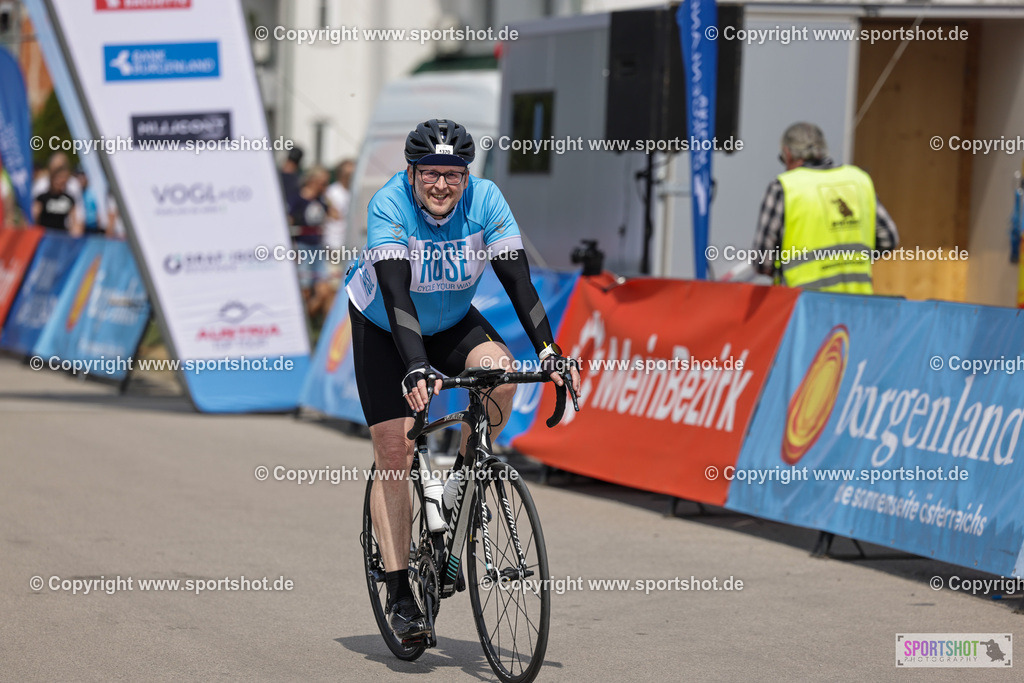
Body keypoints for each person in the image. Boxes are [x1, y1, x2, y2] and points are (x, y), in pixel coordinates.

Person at [344, 119, 579, 640]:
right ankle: (401, 588)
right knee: (394, 449)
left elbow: (518, 280)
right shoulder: (388, 207)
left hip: (451, 318)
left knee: (502, 373)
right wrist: (414, 365)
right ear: (412, 173)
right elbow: (396, 295)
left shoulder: (488, 200)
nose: (442, 185)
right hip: (385, 324)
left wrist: (549, 349)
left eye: (453, 174)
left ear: (467, 175)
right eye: (430, 173)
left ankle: (467, 476)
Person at [751, 122, 898, 293]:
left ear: (788, 153)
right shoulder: (859, 180)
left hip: (802, 308)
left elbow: (762, 262)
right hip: (857, 307)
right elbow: (888, 239)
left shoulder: (783, 188)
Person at [288, 165, 336, 321]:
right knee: (305, 291)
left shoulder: (321, 200)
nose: (325, 186)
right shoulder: (297, 199)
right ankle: (304, 324)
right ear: (312, 181)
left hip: (318, 249)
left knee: (325, 290)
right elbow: (289, 222)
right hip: (302, 248)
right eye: (322, 183)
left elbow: (336, 215)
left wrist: (325, 196)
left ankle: (321, 328)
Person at [33, 165, 83, 236]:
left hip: (61, 236)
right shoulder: (42, 198)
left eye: (64, 178)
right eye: (59, 178)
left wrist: (75, 236)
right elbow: (34, 217)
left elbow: (75, 221)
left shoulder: (69, 199)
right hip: (44, 235)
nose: (61, 181)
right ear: (52, 179)